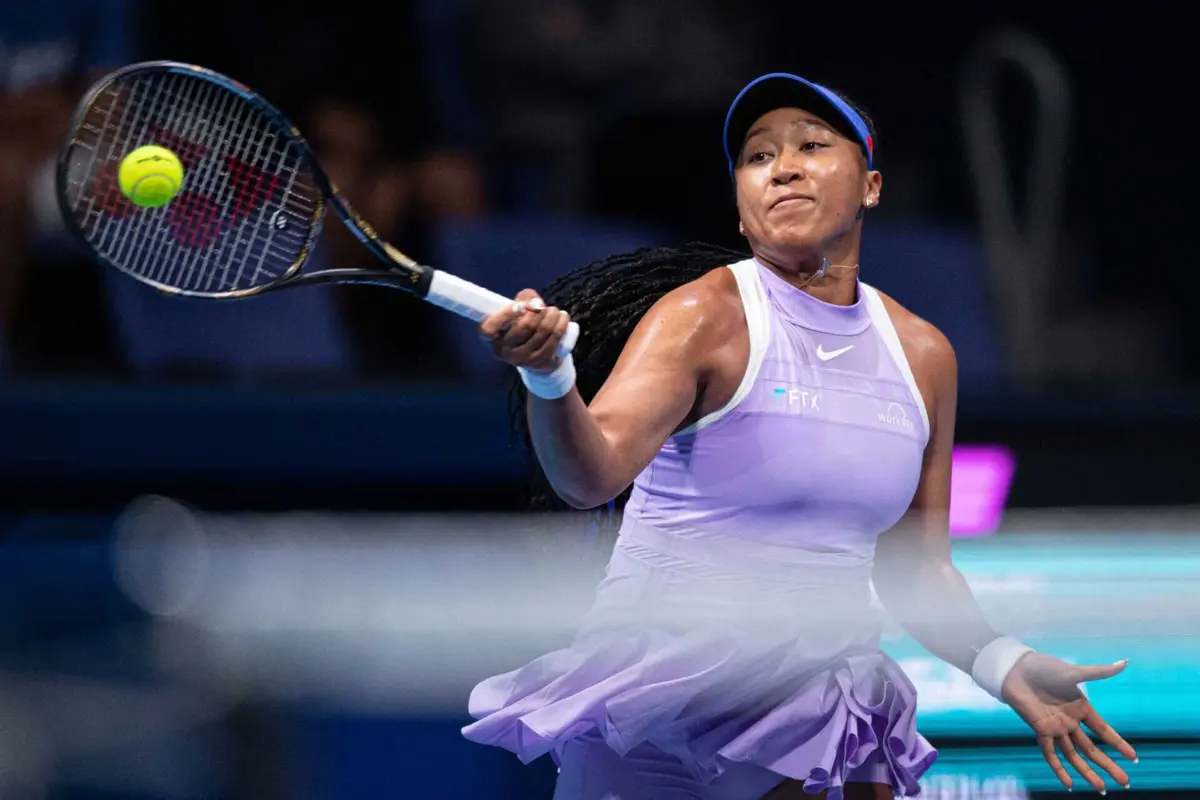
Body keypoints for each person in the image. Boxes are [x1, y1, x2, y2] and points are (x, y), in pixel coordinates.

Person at [463, 73, 1138, 799]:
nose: (782, 167)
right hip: (662, 719)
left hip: (819, 716)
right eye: (757, 158)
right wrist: (550, 379)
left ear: (871, 186)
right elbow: (587, 477)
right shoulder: (702, 317)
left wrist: (1001, 660)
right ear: (743, 209)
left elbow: (916, 565)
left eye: (812, 146)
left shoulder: (923, 354)